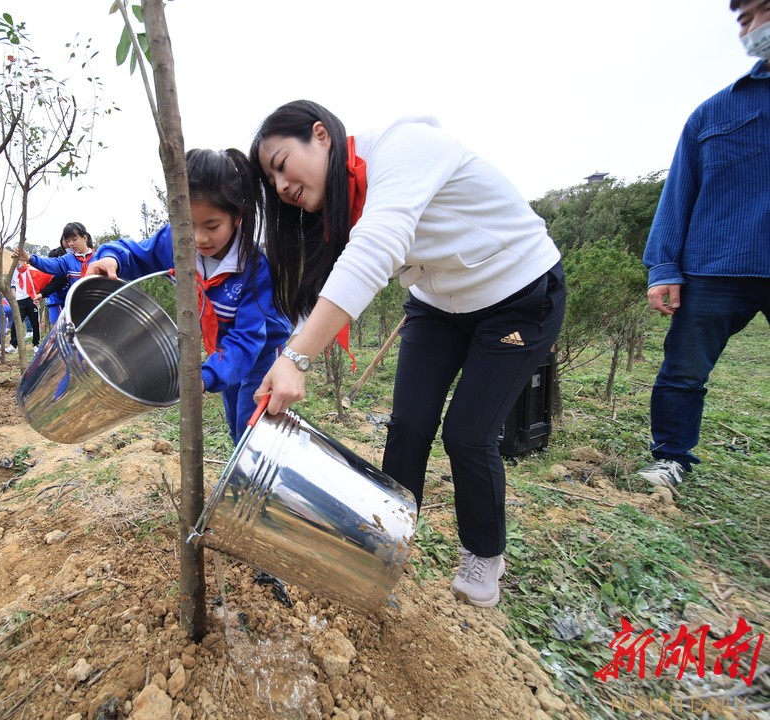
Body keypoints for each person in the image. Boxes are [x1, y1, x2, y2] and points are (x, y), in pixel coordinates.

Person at [249, 101, 566, 608]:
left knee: (468, 433)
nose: (282, 187)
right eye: (273, 183)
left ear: (320, 135)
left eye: (282, 164)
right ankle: (384, 545)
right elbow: (330, 286)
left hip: (518, 294)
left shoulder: (402, 147)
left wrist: (298, 358)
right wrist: (287, 353)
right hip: (439, 305)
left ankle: (484, 552)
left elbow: (378, 246)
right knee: (409, 426)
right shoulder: (339, 207)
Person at [637, 0, 770, 490]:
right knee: (684, 371)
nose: (754, 27)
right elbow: (679, 193)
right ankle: (671, 456)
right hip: (717, 265)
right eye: (745, 19)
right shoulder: (715, 111)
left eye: (764, 11)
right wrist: (663, 267)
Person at [86, 148, 292, 443]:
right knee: (235, 419)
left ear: (237, 217)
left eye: (211, 226)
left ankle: (253, 478)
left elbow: (247, 339)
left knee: (252, 428)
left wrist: (205, 376)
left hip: (259, 354)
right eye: (188, 225)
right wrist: (111, 259)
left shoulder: (253, 267)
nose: (198, 238)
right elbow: (135, 253)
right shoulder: (176, 241)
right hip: (223, 349)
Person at [12, 222, 94, 305]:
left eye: (74, 239)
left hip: (98, 305)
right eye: (68, 241)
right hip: (77, 306)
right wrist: (30, 259)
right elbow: (51, 263)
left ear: (85, 238)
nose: (71, 244)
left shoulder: (98, 258)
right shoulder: (67, 259)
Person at [10, 260, 42, 350]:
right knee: (16, 322)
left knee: (35, 323)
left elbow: (38, 283)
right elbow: (12, 285)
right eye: (16, 260)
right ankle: (13, 344)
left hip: (32, 298)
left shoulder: (31, 269)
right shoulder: (13, 271)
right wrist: (14, 299)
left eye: (19, 260)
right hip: (20, 299)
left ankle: (36, 344)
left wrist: (38, 297)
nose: (17, 262)